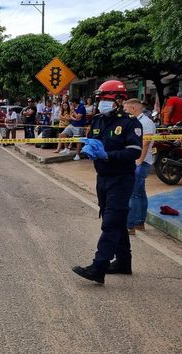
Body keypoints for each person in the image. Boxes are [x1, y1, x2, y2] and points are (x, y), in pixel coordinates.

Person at [72, 80, 142, 284]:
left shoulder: (130, 122)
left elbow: (134, 152)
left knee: (110, 222)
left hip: (121, 179)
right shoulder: (97, 120)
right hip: (102, 177)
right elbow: (94, 141)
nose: (102, 102)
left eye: (106, 99)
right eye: (100, 99)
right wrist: (90, 150)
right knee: (115, 219)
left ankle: (99, 266)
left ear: (119, 100)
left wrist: (107, 155)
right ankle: (123, 262)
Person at [124, 98, 156, 235]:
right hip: (138, 162)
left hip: (141, 162)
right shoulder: (136, 122)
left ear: (134, 109)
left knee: (133, 194)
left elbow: (146, 143)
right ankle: (139, 222)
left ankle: (129, 226)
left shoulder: (146, 123)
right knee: (140, 193)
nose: (124, 111)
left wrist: (139, 160)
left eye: (126, 109)